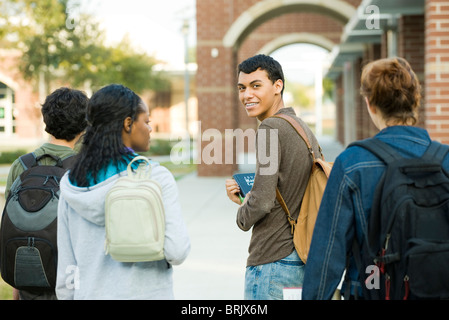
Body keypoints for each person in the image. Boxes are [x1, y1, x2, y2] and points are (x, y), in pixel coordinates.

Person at [302, 57, 449, 299]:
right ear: (416, 100)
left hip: (372, 289)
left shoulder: (352, 162)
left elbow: (328, 253)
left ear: (370, 104)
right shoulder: (445, 160)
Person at [55, 84, 190, 300]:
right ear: (128, 123)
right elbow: (177, 251)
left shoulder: (71, 183)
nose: (150, 128)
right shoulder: (154, 177)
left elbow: (66, 272)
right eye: (146, 121)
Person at [225, 54, 322, 300]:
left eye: (256, 85)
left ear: (278, 86)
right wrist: (247, 196)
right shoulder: (301, 127)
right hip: (300, 257)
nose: (247, 95)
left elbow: (263, 200)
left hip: (273, 260)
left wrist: (242, 215)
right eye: (242, 88)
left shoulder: (269, 128)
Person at [4, 87, 89, 300]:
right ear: (84, 126)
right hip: (71, 284)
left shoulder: (21, 166)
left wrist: (18, 288)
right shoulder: (85, 169)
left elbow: (15, 227)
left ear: (46, 121)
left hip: (28, 284)